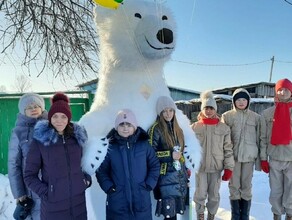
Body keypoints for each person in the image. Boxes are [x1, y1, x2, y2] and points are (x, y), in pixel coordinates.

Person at [24, 92, 91, 220]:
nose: (59, 121)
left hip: (79, 205)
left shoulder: (77, 139)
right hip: (53, 208)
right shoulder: (41, 141)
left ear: (69, 118)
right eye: (55, 116)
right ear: (50, 118)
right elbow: (29, 176)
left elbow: (82, 165)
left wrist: (86, 180)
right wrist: (47, 192)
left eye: (63, 117)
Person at [96, 109, 160, 220]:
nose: (125, 128)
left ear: (134, 127)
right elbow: (102, 170)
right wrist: (109, 187)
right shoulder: (110, 147)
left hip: (141, 200)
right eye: (122, 124)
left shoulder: (144, 145)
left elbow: (154, 165)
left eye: (129, 125)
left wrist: (149, 184)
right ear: (116, 127)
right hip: (117, 202)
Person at [191, 91, 234, 220]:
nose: (208, 111)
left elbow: (228, 149)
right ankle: (200, 215)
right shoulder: (194, 128)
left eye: (211, 108)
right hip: (201, 168)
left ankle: (211, 215)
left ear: (215, 109)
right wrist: (187, 165)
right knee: (200, 193)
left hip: (216, 167)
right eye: (206, 108)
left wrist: (229, 167)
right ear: (202, 109)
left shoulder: (224, 128)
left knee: (214, 194)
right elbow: (188, 148)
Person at [221, 88, 261, 220]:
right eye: (238, 99)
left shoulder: (256, 118)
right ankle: (235, 215)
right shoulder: (227, 116)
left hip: (249, 158)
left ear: (248, 101)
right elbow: (223, 139)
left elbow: (259, 138)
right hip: (233, 158)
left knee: (246, 186)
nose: (241, 102)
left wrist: (260, 160)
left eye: (244, 99)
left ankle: (245, 216)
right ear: (233, 101)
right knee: (234, 186)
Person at [148, 96, 189, 220]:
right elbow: (150, 153)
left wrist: (185, 169)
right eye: (164, 111)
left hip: (178, 177)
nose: (168, 114)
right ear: (160, 113)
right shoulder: (156, 129)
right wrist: (169, 155)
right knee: (169, 215)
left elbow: (181, 153)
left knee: (174, 214)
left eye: (170, 110)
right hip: (164, 178)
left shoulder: (179, 130)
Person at [8, 93, 47, 220]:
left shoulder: (51, 127)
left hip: (51, 185)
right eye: (29, 107)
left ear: (42, 108)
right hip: (30, 188)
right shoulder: (18, 132)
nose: (33, 109)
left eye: (36, 106)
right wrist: (19, 193)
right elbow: (14, 164)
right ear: (23, 111)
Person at [260, 78, 292, 220]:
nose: (283, 92)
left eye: (286, 89)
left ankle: (290, 215)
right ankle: (277, 215)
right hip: (274, 158)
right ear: (276, 92)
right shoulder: (267, 113)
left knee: (291, 191)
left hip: (291, 158)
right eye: (280, 89)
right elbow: (263, 137)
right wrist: (263, 158)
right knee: (276, 191)